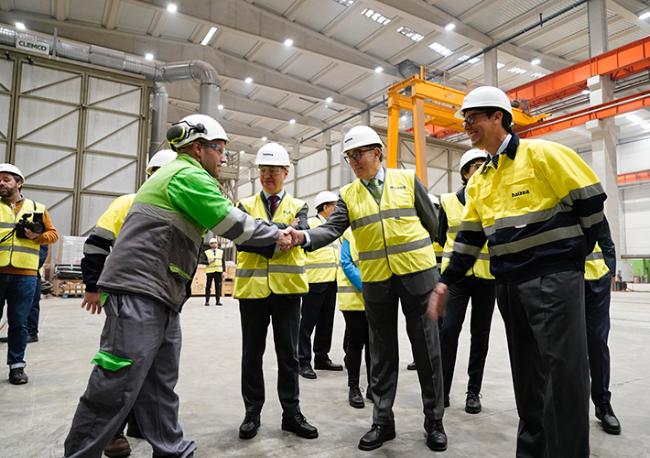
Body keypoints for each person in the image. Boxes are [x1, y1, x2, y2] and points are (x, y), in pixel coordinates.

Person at [63, 115, 288, 458]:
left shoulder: (184, 174)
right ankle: (79, 453)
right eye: (220, 149)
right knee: (116, 380)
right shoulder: (187, 174)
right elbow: (230, 222)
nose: (224, 159)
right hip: (140, 289)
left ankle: (170, 449)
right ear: (198, 148)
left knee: (159, 381)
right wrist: (281, 234)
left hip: (162, 293)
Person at [428, 86, 606, 458]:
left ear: (498, 117)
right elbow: (469, 239)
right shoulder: (480, 180)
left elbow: (591, 206)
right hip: (508, 285)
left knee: (564, 378)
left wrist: (569, 259)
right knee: (527, 380)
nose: (466, 125)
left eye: (472, 117)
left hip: (553, 282)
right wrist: (445, 282)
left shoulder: (541, 154)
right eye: (465, 119)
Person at [285, 125, 447, 452]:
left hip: (418, 276)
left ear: (377, 153)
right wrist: (303, 237)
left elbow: (433, 223)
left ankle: (434, 422)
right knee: (381, 353)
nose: (354, 161)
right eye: (349, 156)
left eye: (358, 154)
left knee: (427, 351)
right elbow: (331, 229)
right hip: (376, 281)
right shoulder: (348, 194)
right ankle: (382, 422)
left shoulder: (406, 179)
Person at [79, 148, 177, 458]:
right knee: (119, 366)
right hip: (127, 295)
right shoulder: (128, 202)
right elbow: (96, 243)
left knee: (152, 368)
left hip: (162, 297)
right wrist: (93, 286)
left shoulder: (180, 208)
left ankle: (139, 422)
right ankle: (111, 432)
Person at [234, 143, 318, 441]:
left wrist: (263, 231)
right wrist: (283, 231)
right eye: (263, 170)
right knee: (251, 354)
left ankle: (291, 413)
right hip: (253, 291)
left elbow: (302, 234)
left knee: (289, 356)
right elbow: (242, 241)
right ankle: (252, 412)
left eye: (273, 170)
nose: (268, 175)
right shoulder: (243, 204)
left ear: (286, 172)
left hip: (287, 292)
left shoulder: (300, 205)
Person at [437, 148, 495, 414]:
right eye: (477, 167)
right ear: (465, 172)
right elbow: (439, 241)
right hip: (456, 279)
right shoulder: (448, 202)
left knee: (480, 335)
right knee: (448, 331)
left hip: (487, 277)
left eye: (487, 166)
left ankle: (474, 391)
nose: (483, 171)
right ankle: (442, 390)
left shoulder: (494, 199)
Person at [0, 163, 58, 385]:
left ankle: (17, 367)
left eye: (6, 179)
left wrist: (36, 237)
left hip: (24, 275)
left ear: (18, 183)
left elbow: (52, 235)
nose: (2, 183)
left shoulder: (37, 208)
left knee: (18, 322)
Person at [298, 190, 342, 379]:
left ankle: (321, 357)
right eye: (335, 206)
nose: (338, 210)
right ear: (326, 207)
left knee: (326, 322)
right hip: (314, 281)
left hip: (331, 280)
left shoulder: (334, 228)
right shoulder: (312, 225)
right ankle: (303, 361)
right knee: (307, 323)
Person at [584, 217, 621, 435]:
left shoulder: (587, 196)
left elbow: (605, 238)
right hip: (562, 282)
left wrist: (610, 270)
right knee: (564, 347)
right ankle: (565, 407)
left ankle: (602, 403)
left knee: (597, 342)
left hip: (597, 281)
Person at [407, 193, 442, 372]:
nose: (434, 213)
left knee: (439, 323)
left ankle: (438, 358)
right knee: (423, 324)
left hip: (442, 279)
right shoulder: (419, 227)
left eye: (436, 209)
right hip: (423, 277)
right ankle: (419, 358)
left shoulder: (441, 227)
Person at [338, 228, 371, 408]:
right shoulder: (349, 233)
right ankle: (354, 387)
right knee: (356, 343)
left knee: (374, 345)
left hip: (378, 297)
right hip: (355, 297)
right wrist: (367, 288)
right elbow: (346, 262)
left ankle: (374, 385)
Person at [0, 245, 48, 345]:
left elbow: (42, 252)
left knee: (30, 304)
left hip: (30, 273)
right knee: (15, 307)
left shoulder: (35, 230)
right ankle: (15, 335)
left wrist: (33, 270)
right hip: (12, 271)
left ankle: (31, 333)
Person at [203, 238, 225, 306]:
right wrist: (209, 262)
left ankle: (218, 301)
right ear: (210, 245)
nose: (214, 244)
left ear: (217, 244)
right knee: (208, 286)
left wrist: (223, 271)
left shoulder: (221, 252)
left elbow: (223, 262)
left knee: (217, 287)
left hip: (218, 271)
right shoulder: (206, 252)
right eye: (212, 243)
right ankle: (207, 301)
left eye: (215, 243)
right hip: (210, 271)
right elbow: (202, 261)